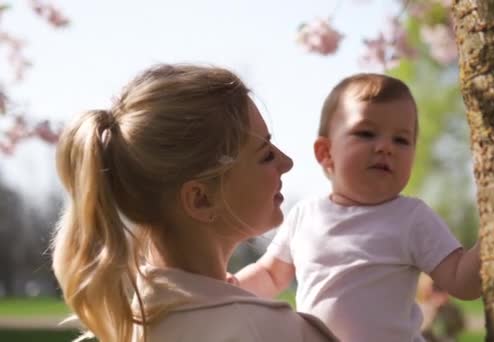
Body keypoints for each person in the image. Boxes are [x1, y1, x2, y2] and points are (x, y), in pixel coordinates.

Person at [51, 64, 338, 342]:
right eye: (265, 155)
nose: (287, 162)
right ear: (201, 199)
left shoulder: (136, 324)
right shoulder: (266, 331)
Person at [235, 73, 481, 342]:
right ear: (325, 153)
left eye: (401, 140)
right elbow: (270, 275)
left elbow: (461, 280)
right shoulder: (305, 216)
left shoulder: (411, 217)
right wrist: (226, 287)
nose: (386, 147)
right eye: (366, 133)